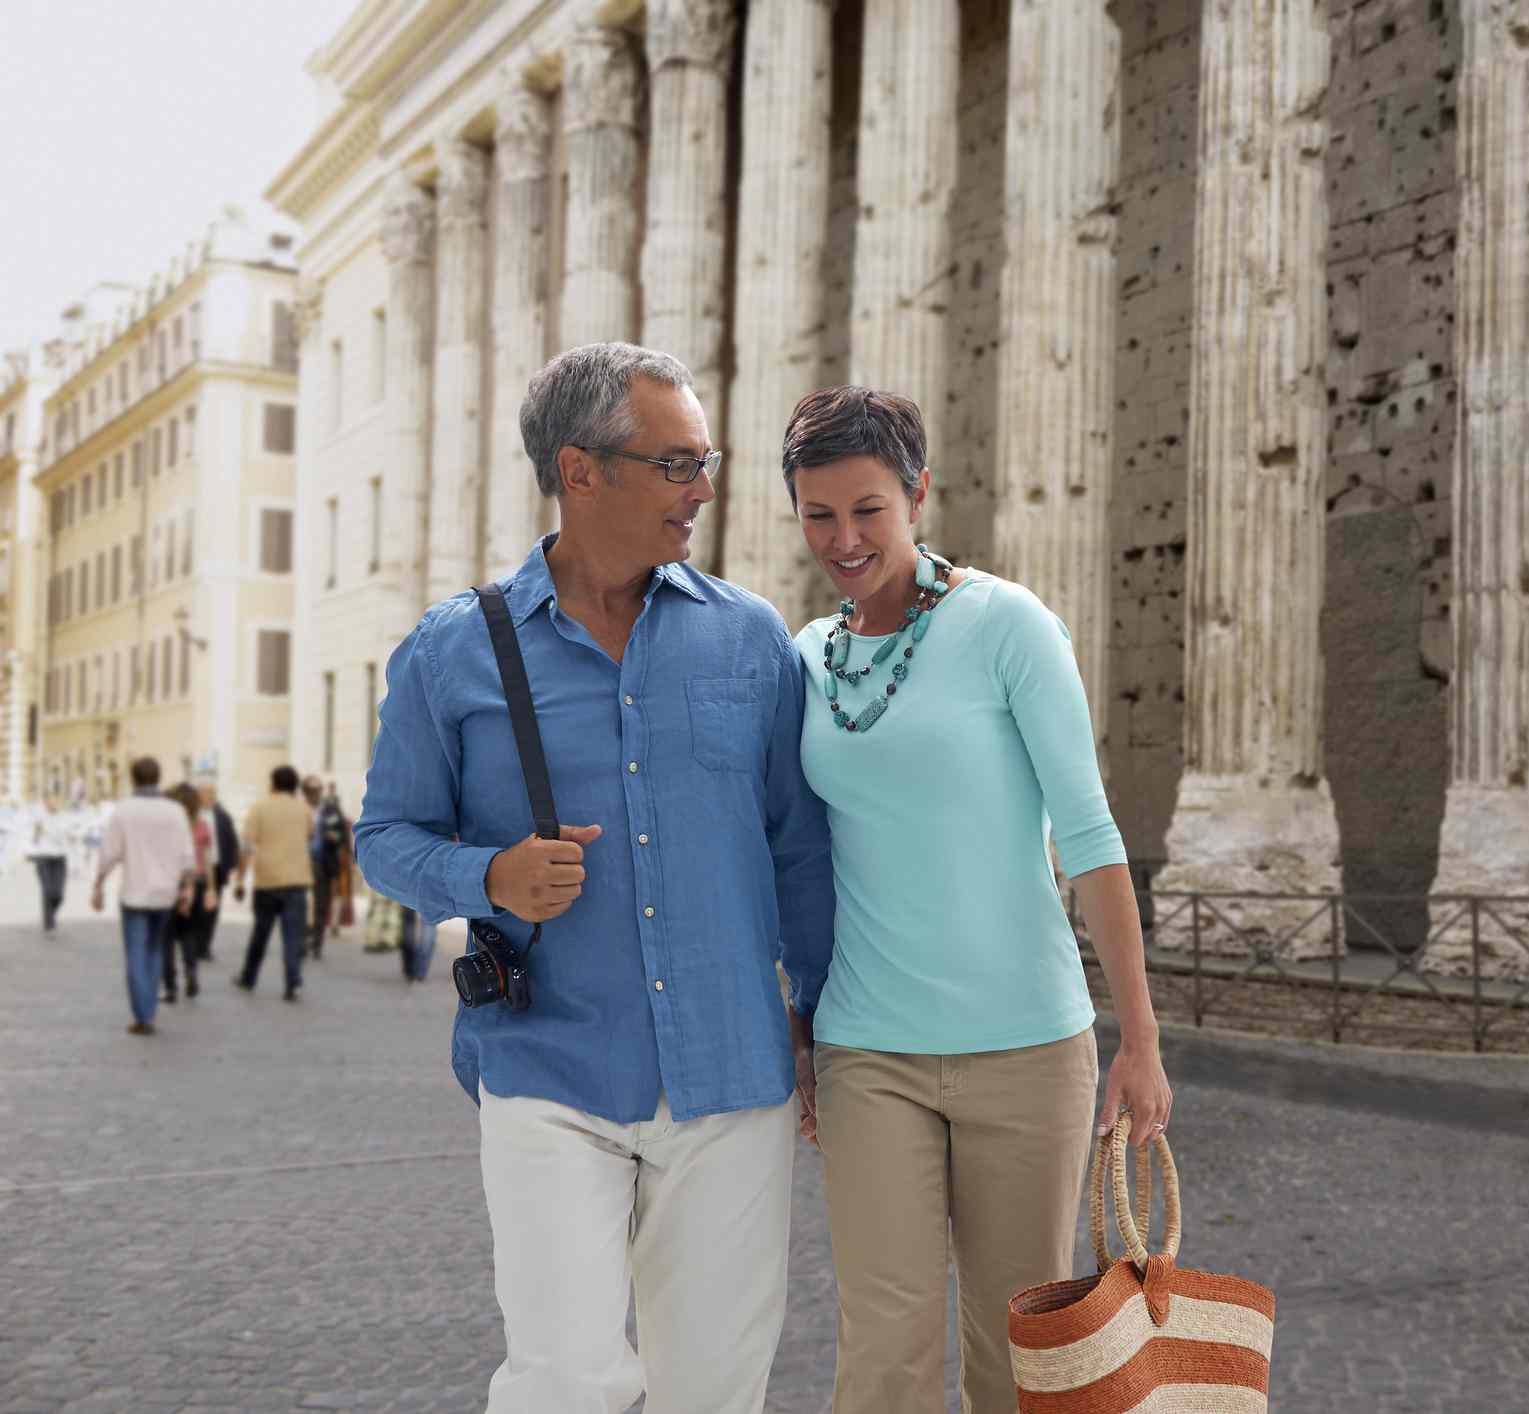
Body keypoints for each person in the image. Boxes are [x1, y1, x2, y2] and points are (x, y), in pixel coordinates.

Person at [355, 342, 834, 1412]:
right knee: (565, 1377)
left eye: (707, 461)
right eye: (676, 463)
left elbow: (799, 849)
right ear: (582, 471)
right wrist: (492, 875)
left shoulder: (750, 638)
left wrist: (820, 1018)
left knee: (713, 1385)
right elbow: (383, 835)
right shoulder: (452, 651)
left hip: (731, 1074)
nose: (704, 488)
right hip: (547, 1070)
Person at [780, 386, 1174, 1414]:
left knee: (1019, 1353)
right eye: (818, 513)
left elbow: (1089, 834)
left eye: (868, 508)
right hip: (869, 1049)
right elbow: (795, 854)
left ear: (918, 492)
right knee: (883, 1354)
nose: (845, 538)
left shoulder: (1007, 625)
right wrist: (797, 1017)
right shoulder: (804, 660)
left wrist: (1138, 1037)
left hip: (1029, 1050)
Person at [90, 757, 197, 1036]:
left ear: (133, 778)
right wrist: (186, 889)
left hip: (135, 893)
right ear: (158, 777)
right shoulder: (175, 811)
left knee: (136, 953)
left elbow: (109, 853)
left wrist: (98, 884)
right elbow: (187, 856)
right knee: (155, 950)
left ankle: (143, 1014)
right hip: (165, 894)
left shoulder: (124, 811)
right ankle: (148, 1008)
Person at [234, 765, 314, 1001]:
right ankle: (293, 982)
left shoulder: (260, 807)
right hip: (297, 881)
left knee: (260, 932)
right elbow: (310, 835)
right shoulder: (303, 809)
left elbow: (247, 846)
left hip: (267, 881)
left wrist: (240, 880)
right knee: (292, 936)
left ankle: (248, 977)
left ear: (272, 783)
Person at [159, 782, 216, 1002]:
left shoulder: (167, 827)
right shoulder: (202, 825)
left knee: (166, 936)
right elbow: (209, 859)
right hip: (199, 881)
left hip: (171, 882)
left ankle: (170, 986)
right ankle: (191, 972)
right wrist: (211, 887)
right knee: (189, 932)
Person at [303, 775, 353, 958]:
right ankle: (302, 938)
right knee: (301, 901)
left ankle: (316, 942)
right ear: (305, 792)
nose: (314, 794)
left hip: (323, 861)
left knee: (321, 903)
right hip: (300, 862)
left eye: (317, 790)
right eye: (310, 791)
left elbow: (343, 835)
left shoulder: (330, 810)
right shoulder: (298, 809)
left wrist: (336, 838)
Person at [191, 777, 240, 962]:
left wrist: (233, 864)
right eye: (207, 792)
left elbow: (232, 841)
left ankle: (205, 946)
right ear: (198, 795)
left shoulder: (223, 816)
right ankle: (194, 944)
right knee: (197, 908)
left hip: (217, 868)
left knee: (212, 909)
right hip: (197, 869)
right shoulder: (191, 814)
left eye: (213, 792)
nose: (211, 796)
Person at [26, 795, 69, 932]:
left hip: (60, 858)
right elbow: (33, 839)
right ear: (45, 803)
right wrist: (36, 832)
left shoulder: (64, 818)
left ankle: (50, 914)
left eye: (55, 801)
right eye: (50, 801)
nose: (53, 803)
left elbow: (69, 836)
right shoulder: (39, 818)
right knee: (47, 890)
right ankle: (48, 922)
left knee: (59, 894)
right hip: (43, 857)